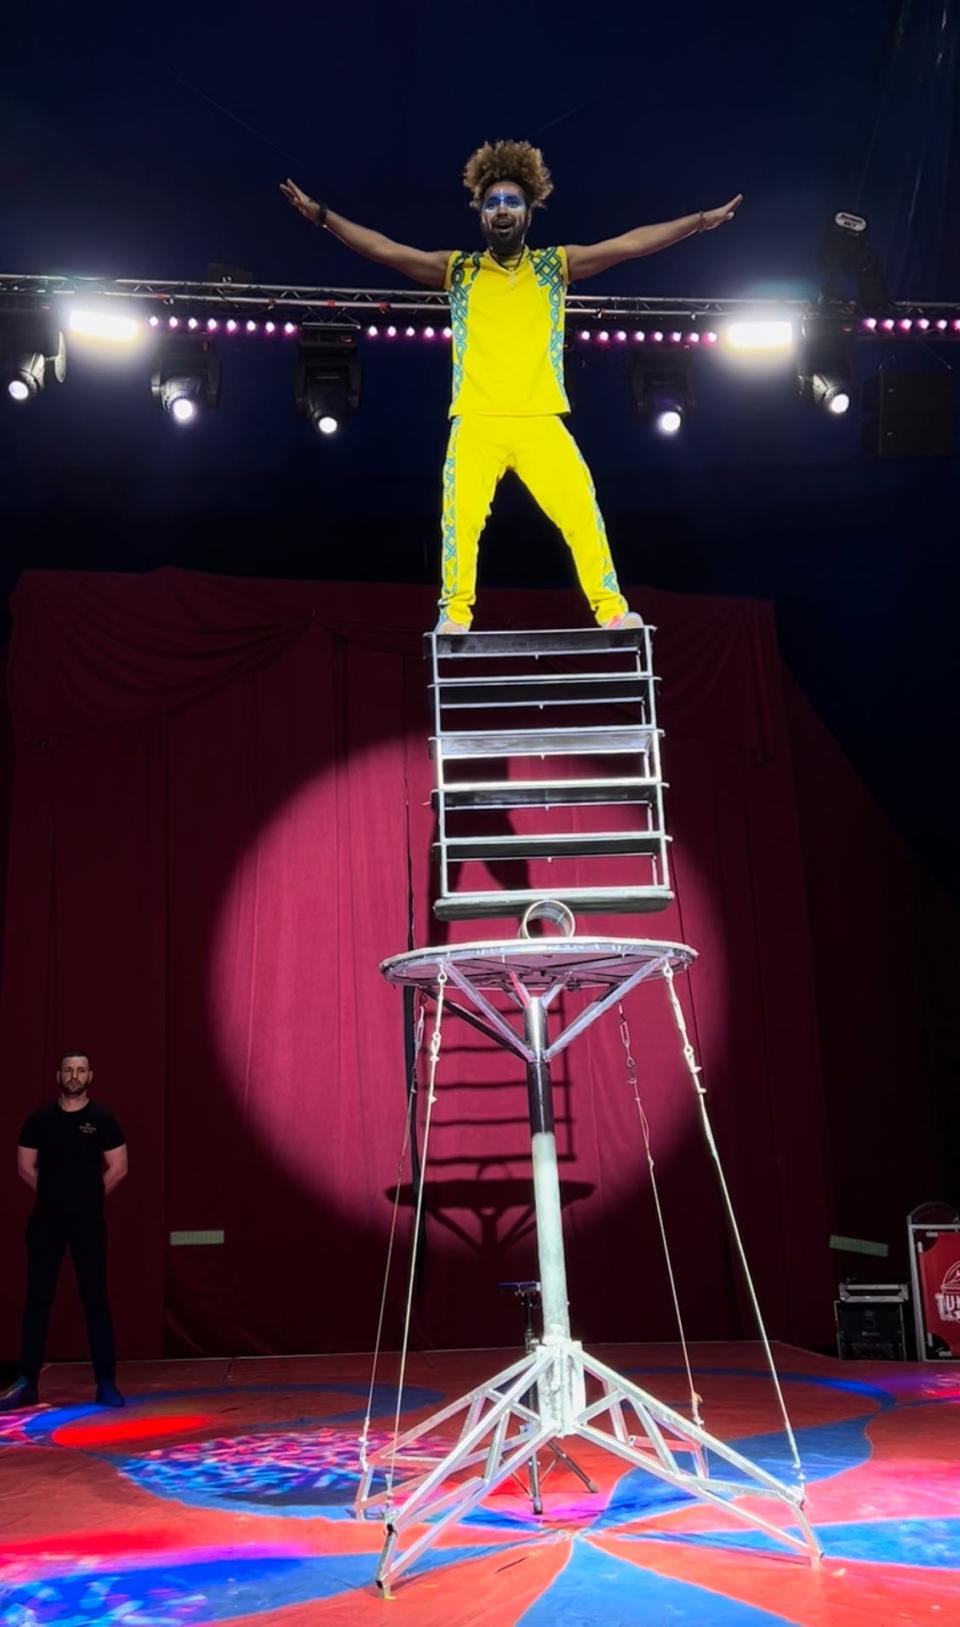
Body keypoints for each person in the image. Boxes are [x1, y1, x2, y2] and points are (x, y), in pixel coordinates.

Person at [281, 140, 741, 633]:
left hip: (541, 420)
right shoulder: (458, 270)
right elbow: (385, 250)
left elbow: (629, 244)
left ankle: (611, 610)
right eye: (493, 202)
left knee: (582, 512)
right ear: (480, 214)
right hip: (477, 420)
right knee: (460, 522)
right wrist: (323, 216)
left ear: (529, 214)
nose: (502, 209)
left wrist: (697, 222)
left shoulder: (554, 267)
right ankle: (455, 615)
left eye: (512, 202)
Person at [0, 1052, 128, 1410]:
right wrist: (55, 1196)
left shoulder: (102, 1118)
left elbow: (119, 1166)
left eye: (81, 1070)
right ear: (59, 1075)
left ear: (91, 1075)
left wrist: (86, 1197)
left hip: (88, 1222)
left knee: (95, 1299)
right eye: (69, 1070)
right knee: (37, 1300)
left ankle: (106, 1383)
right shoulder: (39, 1119)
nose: (74, 1075)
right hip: (45, 1221)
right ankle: (26, 1382)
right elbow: (25, 1166)